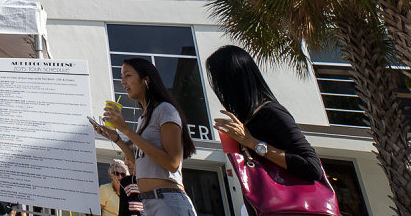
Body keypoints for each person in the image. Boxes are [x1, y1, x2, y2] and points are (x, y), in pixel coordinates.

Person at [205, 45, 323, 192]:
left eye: (219, 80)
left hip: (288, 204)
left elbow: (313, 167)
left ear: (233, 80)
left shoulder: (272, 112)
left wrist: (252, 143)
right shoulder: (246, 118)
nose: (218, 88)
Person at [94, 58, 196, 216]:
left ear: (146, 80)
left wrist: (127, 130)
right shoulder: (143, 118)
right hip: (148, 203)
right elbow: (137, 163)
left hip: (168, 200)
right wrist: (117, 138)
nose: (122, 81)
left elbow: (172, 163)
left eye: (127, 75)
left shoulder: (165, 110)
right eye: (121, 77)